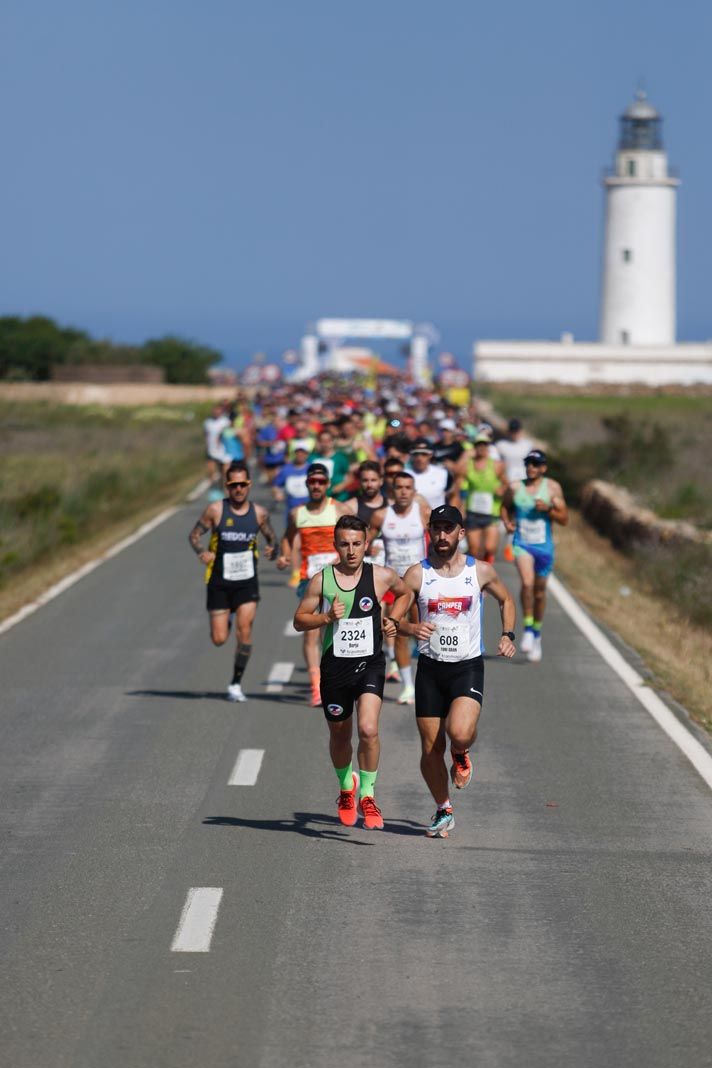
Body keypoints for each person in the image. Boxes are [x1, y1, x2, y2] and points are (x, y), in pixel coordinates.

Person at [394, 505, 516, 837]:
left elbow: (506, 600)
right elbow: (389, 620)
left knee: (458, 733)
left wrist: (507, 634)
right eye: (437, 529)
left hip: (466, 667)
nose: (442, 535)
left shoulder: (481, 572)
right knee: (430, 748)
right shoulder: (417, 575)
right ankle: (443, 808)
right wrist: (409, 629)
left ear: (461, 533)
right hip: (430, 670)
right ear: (430, 532)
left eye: (449, 529)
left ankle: (461, 753)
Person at [294, 515, 412, 830]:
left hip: (370, 664)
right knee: (339, 733)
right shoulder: (322, 580)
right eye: (344, 544)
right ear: (336, 545)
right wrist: (325, 618)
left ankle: (369, 795)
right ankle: (347, 787)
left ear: (366, 544)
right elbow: (299, 620)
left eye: (357, 544)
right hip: (335, 667)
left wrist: (395, 619)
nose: (351, 551)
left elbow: (406, 593)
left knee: (369, 729)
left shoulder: (381, 576)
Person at [188, 461, 277, 701]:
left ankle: (236, 683)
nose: (238, 489)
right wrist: (201, 552)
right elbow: (194, 535)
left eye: (242, 484)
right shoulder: (215, 510)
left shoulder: (259, 513)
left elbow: (272, 538)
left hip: (247, 581)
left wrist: (272, 549)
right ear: (227, 486)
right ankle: (225, 616)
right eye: (233, 485)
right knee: (219, 639)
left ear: (249, 485)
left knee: (245, 630)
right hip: (218, 580)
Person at [277, 463, 351, 706]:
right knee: (310, 634)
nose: (316, 485)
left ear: (328, 484)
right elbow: (287, 539)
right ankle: (316, 686)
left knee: (335, 630)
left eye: (321, 481)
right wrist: (284, 556)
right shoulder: (297, 514)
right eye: (312, 482)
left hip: (336, 578)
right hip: (309, 579)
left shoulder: (340, 510)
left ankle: (339, 677)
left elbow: (359, 537)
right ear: (307, 484)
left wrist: (343, 557)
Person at [500, 450, 568, 663]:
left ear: (543, 468)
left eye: (536, 464)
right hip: (522, 544)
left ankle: (537, 633)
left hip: (544, 547)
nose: (531, 467)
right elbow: (504, 506)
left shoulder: (553, 488)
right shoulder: (515, 487)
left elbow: (564, 519)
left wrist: (549, 509)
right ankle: (528, 628)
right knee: (527, 584)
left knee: (540, 592)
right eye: (528, 463)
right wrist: (507, 522)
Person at [368, 471, 430, 704]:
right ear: (392, 491)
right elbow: (366, 539)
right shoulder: (381, 515)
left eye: (408, 487)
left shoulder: (422, 513)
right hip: (396, 585)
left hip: (421, 582)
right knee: (399, 632)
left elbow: (439, 540)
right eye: (399, 487)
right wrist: (370, 547)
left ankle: (429, 680)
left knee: (424, 633)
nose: (403, 491)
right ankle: (408, 687)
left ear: (414, 491)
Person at [460, 434, 508, 563]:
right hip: (473, 512)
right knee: (474, 550)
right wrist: (461, 509)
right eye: (479, 445)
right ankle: (478, 576)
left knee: (490, 547)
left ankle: (486, 567)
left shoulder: (497, 465)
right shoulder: (467, 465)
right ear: (474, 447)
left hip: (491, 512)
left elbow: (506, 484)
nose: (481, 447)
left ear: (488, 447)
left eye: (484, 445)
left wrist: (502, 489)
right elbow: (460, 488)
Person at [496, 418, 534, 561]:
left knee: (520, 513)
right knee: (507, 512)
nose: (514, 433)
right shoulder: (501, 445)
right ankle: (509, 544)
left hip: (524, 484)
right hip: (508, 482)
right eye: (512, 431)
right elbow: (497, 463)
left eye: (516, 430)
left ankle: (519, 544)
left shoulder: (528, 445)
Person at [407, 438, 456, 510]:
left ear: (430, 455)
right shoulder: (404, 474)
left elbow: (454, 496)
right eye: (416, 454)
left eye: (424, 454)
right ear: (411, 456)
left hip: (437, 519)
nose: (419, 458)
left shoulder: (443, 474)